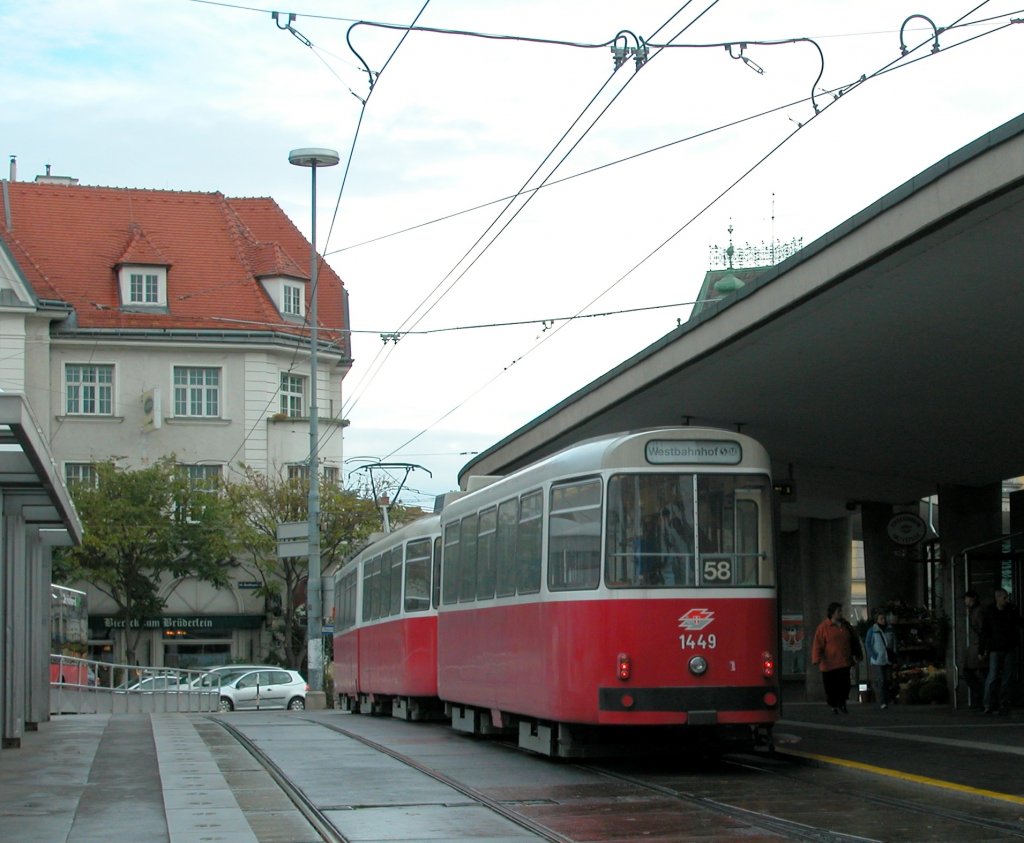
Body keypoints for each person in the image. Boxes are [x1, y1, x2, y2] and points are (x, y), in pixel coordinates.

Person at [811, 602, 862, 713]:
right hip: (829, 664)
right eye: (838, 611)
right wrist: (816, 658)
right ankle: (834, 704)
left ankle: (842, 703)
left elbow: (854, 641)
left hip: (844, 661)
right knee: (831, 687)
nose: (841, 614)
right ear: (832, 614)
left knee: (844, 685)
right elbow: (818, 644)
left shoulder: (846, 626)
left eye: (841, 611)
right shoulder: (823, 627)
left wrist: (857, 655)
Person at [980, 588, 1024, 715]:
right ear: (997, 598)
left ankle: (1002, 703)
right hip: (996, 647)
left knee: (1006, 677)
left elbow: (1018, 622)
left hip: (1007, 647)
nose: (1006, 600)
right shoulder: (991, 612)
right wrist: (982, 649)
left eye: (1006, 597)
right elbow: (985, 631)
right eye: (1004, 597)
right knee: (993, 676)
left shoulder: (1010, 610)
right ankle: (989, 703)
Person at [864, 609, 895, 709]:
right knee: (881, 680)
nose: (884, 621)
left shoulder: (889, 630)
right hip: (877, 660)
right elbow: (868, 644)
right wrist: (874, 655)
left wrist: (894, 654)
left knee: (887, 680)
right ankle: (882, 701)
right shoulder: (872, 631)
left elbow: (894, 643)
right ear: (876, 620)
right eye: (881, 619)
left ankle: (886, 699)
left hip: (888, 659)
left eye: (884, 618)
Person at [962, 590, 986, 709]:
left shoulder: (978, 612)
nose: (965, 601)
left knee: (970, 672)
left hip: (978, 646)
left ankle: (981, 698)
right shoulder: (975, 611)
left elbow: (982, 630)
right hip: (977, 645)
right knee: (979, 673)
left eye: (967, 598)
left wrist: (982, 648)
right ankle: (981, 698)